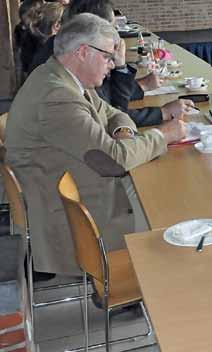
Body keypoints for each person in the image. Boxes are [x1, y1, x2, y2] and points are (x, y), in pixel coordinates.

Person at [5, 14, 187, 275]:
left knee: (160, 190)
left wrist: (124, 132)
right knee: (169, 216)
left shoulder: (64, 78)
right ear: (82, 52)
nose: (112, 65)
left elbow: (113, 113)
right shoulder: (57, 96)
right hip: (73, 219)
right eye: (107, 57)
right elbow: (113, 162)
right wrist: (164, 135)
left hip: (73, 187)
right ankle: (144, 290)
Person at [27, 0, 194, 127]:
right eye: (112, 28)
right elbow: (110, 116)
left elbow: (107, 101)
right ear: (92, 26)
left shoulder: (63, 48)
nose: (116, 34)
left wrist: (135, 81)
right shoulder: (68, 61)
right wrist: (163, 113)